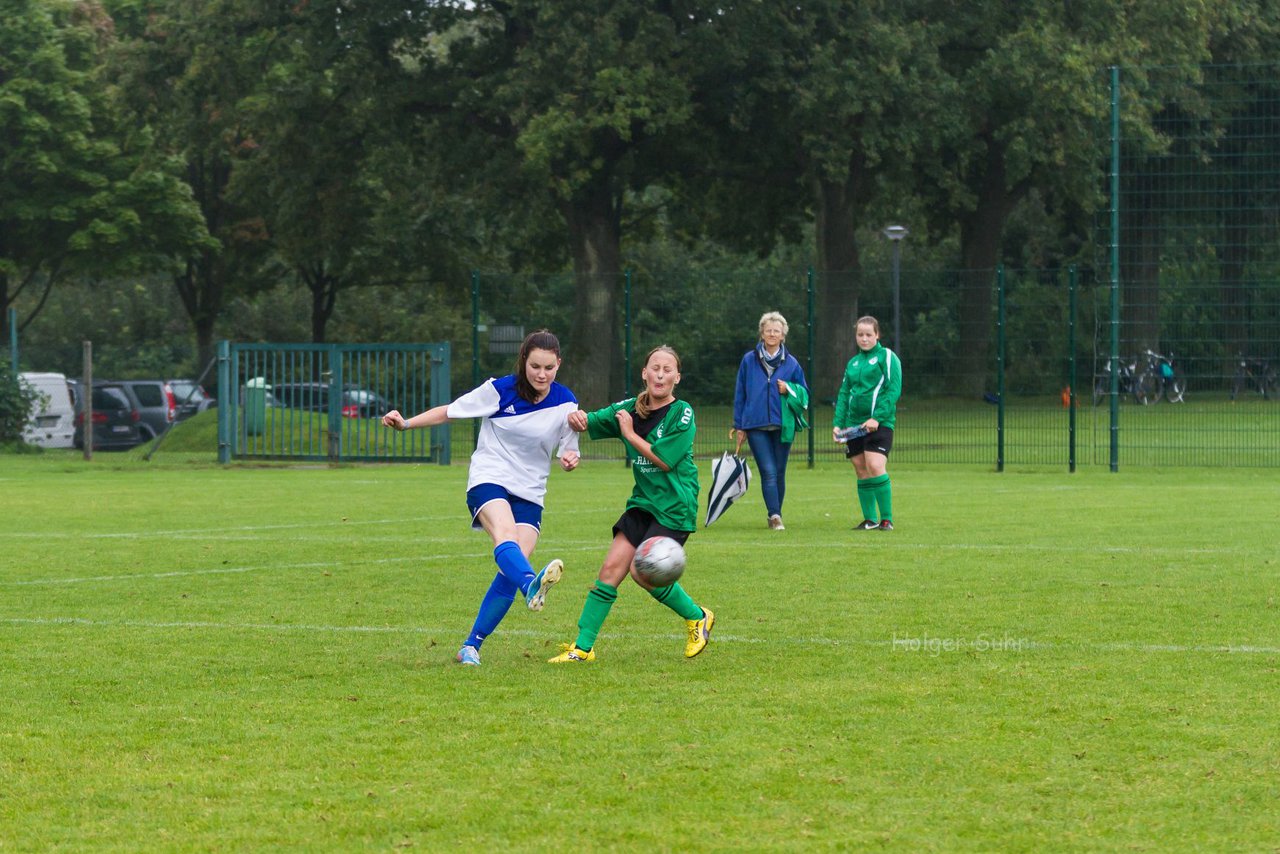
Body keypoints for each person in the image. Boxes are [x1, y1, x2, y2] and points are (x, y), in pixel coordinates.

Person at [382, 330, 580, 666]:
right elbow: (450, 411)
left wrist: (570, 458)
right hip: (490, 478)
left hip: (530, 491)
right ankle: (532, 585)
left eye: (548, 367)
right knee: (506, 541)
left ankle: (471, 646)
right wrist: (406, 424)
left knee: (509, 568)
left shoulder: (566, 402)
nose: (541, 374)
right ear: (524, 362)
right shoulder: (500, 390)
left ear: (558, 364)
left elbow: (569, 450)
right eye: (535, 366)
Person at [548, 345, 715, 663]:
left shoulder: (683, 413)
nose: (661, 374)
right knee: (610, 569)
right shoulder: (630, 408)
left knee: (643, 573)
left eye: (668, 370)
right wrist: (577, 418)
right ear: (645, 373)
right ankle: (582, 649)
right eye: (655, 368)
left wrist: (628, 431)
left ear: (676, 377)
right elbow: (588, 422)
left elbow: (665, 460)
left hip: (674, 506)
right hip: (642, 503)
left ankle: (697, 617)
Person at [732, 311, 809, 530]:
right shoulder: (748, 360)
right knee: (768, 470)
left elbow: (804, 393)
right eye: (768, 331)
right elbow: (740, 393)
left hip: (783, 425)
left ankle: (776, 514)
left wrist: (789, 389)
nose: (772, 334)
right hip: (755, 425)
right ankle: (774, 516)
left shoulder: (792, 364)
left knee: (779, 471)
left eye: (777, 331)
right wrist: (739, 424)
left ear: (783, 335)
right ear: (762, 334)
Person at [833, 316, 902, 531]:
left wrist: (877, 418)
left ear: (877, 335)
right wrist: (838, 424)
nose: (864, 339)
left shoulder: (887, 357)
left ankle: (887, 519)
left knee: (875, 465)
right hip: (854, 426)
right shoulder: (853, 363)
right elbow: (844, 394)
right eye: (860, 335)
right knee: (860, 468)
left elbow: (893, 390)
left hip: (879, 424)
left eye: (868, 335)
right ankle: (870, 520)